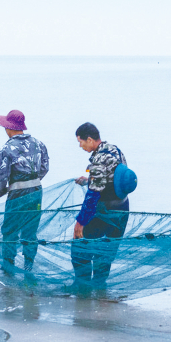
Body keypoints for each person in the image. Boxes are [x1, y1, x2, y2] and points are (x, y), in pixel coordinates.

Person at [70, 122, 129, 292]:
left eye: (80, 142)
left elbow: (92, 196)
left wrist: (80, 222)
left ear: (89, 139)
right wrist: (88, 180)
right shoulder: (116, 150)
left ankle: (83, 287)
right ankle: (99, 286)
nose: (80, 146)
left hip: (104, 210)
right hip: (122, 208)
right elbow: (113, 179)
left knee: (80, 246)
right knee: (107, 249)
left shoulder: (98, 159)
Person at [0, 109, 49, 278]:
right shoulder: (39, 144)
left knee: (10, 231)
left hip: (17, 194)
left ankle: (8, 269)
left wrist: (2, 190)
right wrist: (31, 182)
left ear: (8, 128)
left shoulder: (7, 147)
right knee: (30, 231)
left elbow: (1, 176)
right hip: (36, 191)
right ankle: (28, 268)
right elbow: (44, 168)